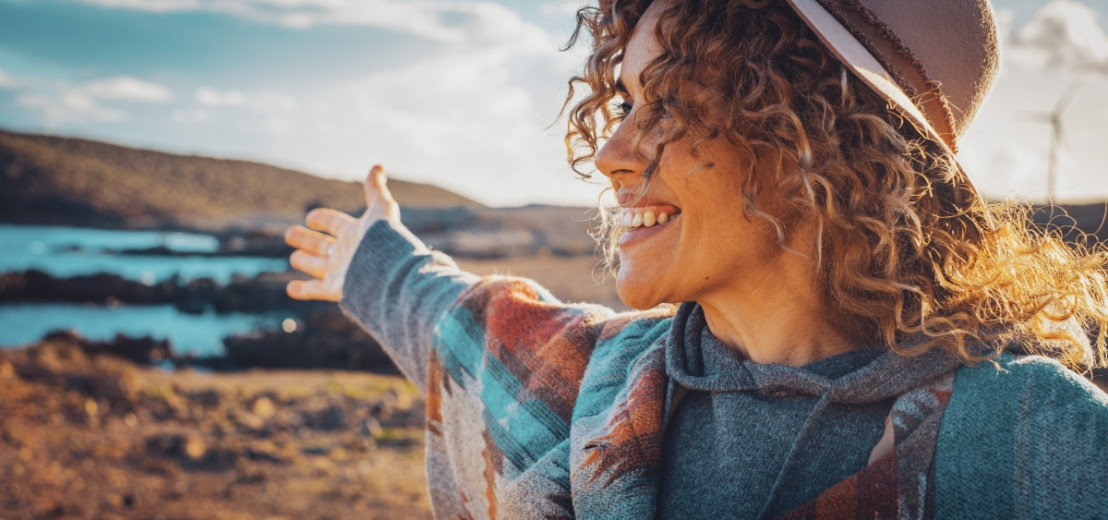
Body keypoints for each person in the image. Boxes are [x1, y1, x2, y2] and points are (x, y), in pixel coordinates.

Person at [284, 0, 1108, 518]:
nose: (609, 151)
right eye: (627, 100)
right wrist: (373, 256)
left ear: (822, 137)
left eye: (670, 101)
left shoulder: (1038, 445)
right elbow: (461, 324)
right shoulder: (590, 378)